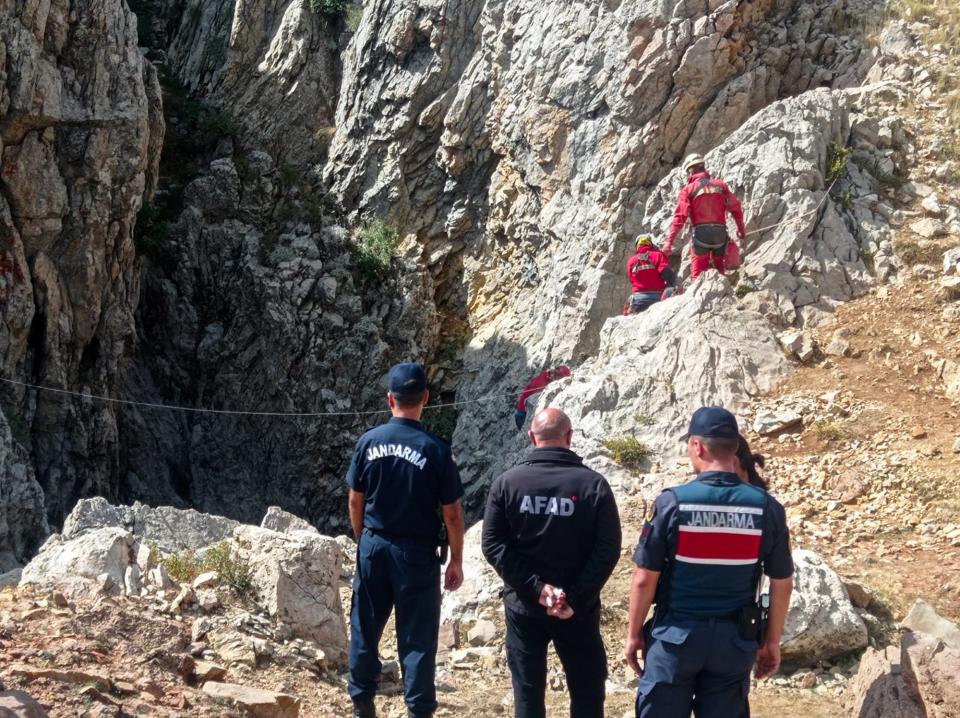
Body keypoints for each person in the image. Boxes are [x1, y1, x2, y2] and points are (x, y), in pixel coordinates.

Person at [625, 407, 794, 718]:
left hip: (675, 638)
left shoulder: (672, 503)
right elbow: (782, 582)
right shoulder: (766, 508)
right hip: (733, 644)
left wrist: (634, 633)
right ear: (734, 448)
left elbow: (643, 578)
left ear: (697, 446)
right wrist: (771, 640)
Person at [482, 408, 622, 718]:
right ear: (569, 437)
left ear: (531, 437)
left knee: (528, 696)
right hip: (578, 610)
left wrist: (537, 589)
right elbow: (608, 549)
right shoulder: (594, 485)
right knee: (587, 694)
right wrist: (575, 597)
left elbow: (493, 545)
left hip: (524, 607)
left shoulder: (507, 483)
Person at [346, 363, 466, 718]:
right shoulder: (436, 450)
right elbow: (453, 513)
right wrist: (456, 558)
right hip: (416, 553)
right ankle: (418, 711)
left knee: (365, 626)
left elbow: (356, 499)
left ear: (389, 399)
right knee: (417, 637)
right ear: (425, 398)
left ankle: (362, 704)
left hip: (375, 543)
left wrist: (363, 537)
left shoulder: (368, 442)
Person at [662, 154, 746, 281]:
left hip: (701, 235)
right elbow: (736, 208)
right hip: (720, 235)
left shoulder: (688, 189)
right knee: (720, 271)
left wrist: (669, 242)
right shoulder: (721, 185)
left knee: (697, 276)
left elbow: (680, 216)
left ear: (690, 170)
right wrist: (741, 229)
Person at [625, 234, 677, 315]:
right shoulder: (658, 255)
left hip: (638, 300)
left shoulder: (631, 261)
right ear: (650, 244)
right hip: (658, 297)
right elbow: (667, 272)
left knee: (627, 308)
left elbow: (631, 280)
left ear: (637, 246)